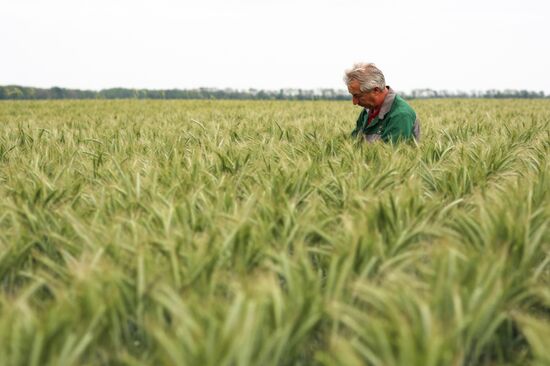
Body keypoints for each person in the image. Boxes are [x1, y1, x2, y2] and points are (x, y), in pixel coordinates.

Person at [344, 63, 420, 143]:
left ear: (376, 90)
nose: (354, 102)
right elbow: (353, 142)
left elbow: (389, 153)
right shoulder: (367, 111)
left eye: (357, 96)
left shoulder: (400, 115)